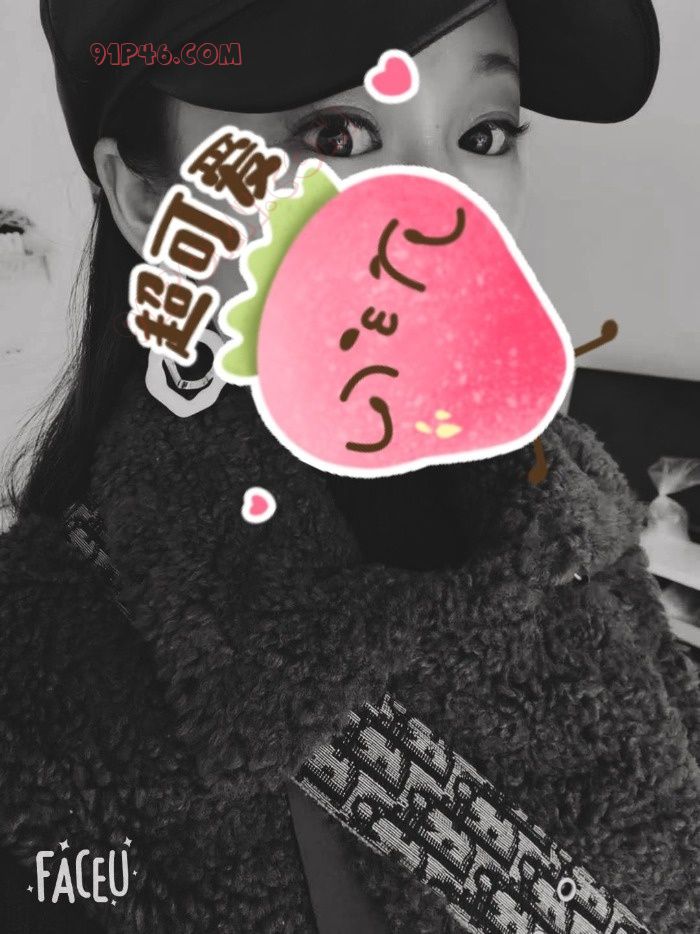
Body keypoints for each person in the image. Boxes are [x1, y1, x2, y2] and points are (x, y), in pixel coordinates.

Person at [0, 1, 697, 932]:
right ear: (152, 205)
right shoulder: (40, 702)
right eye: (336, 135)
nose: (447, 209)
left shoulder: (570, 495)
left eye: (485, 133)